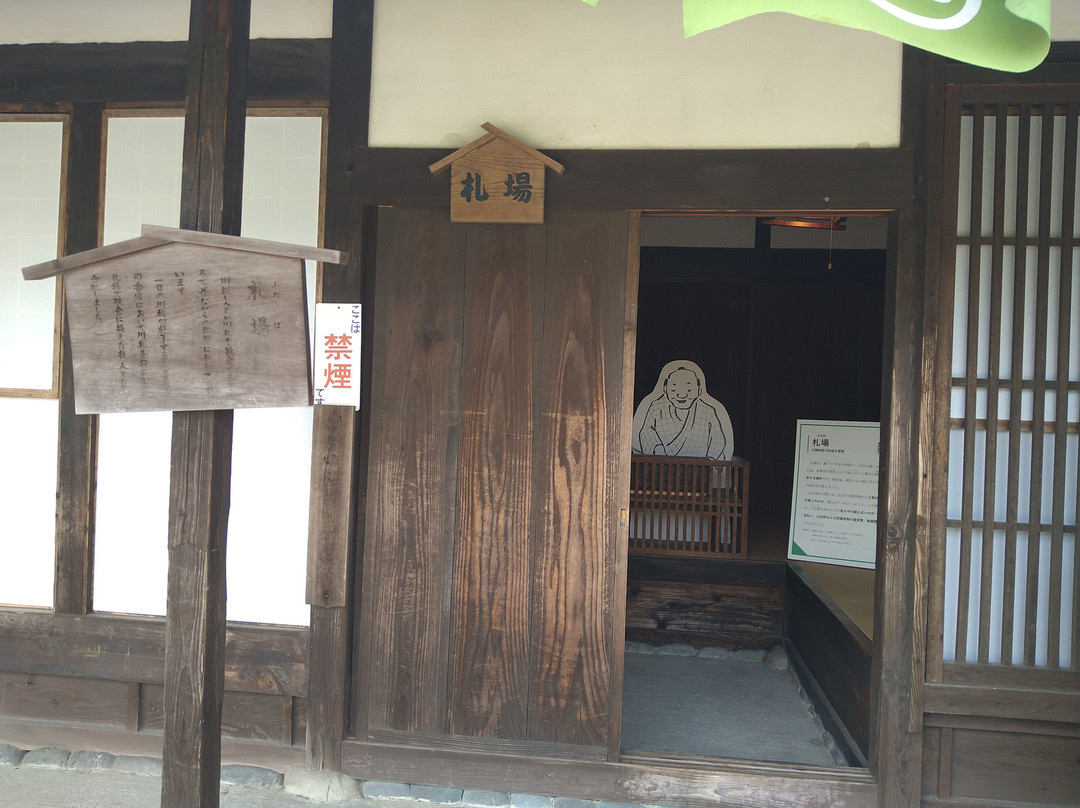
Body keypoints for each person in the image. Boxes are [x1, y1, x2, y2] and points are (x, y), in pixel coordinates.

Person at [633, 361, 732, 460]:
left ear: (699, 390)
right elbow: (646, 432)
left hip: (700, 470)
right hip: (661, 467)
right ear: (665, 389)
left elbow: (717, 439)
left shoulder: (708, 412)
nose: (681, 395)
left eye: (689, 390)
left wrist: (710, 460)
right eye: (674, 390)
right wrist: (658, 450)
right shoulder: (656, 408)